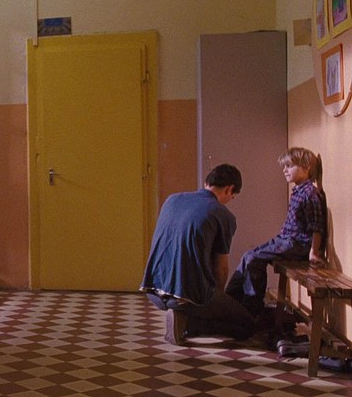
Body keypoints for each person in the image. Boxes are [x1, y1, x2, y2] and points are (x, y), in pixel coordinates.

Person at [140, 164, 256, 346]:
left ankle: (183, 314)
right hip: (188, 296)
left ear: (206, 182)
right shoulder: (222, 214)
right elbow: (221, 269)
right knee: (247, 326)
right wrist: (216, 301)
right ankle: (189, 322)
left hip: (153, 290)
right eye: (233, 196)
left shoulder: (172, 200)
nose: (230, 200)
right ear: (229, 189)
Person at [225, 147, 327, 318]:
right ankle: (229, 302)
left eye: (289, 166)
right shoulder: (298, 191)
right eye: (284, 166)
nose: (284, 170)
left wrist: (314, 252)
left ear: (306, 167)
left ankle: (252, 309)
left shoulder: (310, 194)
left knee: (254, 259)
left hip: (297, 244)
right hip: (285, 240)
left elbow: (317, 227)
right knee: (248, 255)